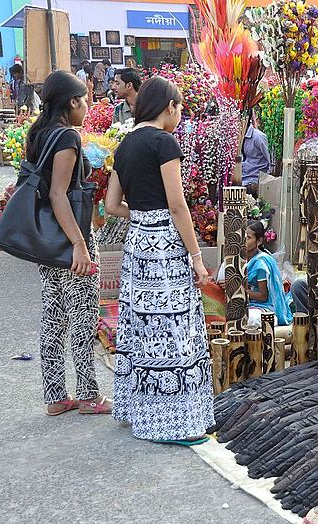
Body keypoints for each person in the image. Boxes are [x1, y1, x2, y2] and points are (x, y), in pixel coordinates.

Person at [105, 76, 214, 444]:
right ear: (169, 106)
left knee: (142, 328)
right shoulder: (164, 143)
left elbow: (109, 205)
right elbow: (177, 203)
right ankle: (175, 422)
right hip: (165, 246)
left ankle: (143, 413)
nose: (180, 114)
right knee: (173, 328)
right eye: (180, 107)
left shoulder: (125, 145)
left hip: (138, 244)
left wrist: (140, 214)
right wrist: (197, 256)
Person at [24, 71, 110, 416]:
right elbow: (60, 194)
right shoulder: (66, 138)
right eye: (85, 99)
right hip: (72, 237)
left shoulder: (37, 135)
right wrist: (79, 243)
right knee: (83, 317)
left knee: (54, 316)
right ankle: (89, 394)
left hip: (47, 240)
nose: (88, 106)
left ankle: (56, 396)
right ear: (72, 102)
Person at [217, 221, 292, 326]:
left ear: (259, 241)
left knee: (251, 319)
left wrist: (237, 288)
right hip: (236, 303)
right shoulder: (233, 259)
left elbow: (263, 296)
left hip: (260, 307)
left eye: (247, 238)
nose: (243, 241)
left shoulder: (261, 262)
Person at [241, 120, 271, 195]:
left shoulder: (259, 137)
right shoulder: (238, 137)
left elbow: (271, 161)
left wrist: (265, 183)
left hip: (254, 180)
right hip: (242, 179)